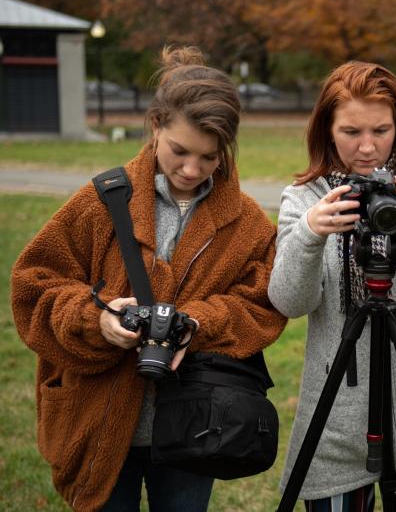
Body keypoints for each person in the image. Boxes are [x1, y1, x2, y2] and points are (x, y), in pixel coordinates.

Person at [11, 46, 287, 512]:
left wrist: (195, 323)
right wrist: (96, 319)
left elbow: (261, 303)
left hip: (197, 429)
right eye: (180, 151)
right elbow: (33, 284)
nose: (192, 169)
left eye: (209, 157)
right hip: (94, 419)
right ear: (155, 124)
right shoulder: (99, 203)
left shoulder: (250, 225)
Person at [268, 61, 396, 510]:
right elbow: (288, 301)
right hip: (335, 418)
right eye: (350, 132)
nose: (367, 147)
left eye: (381, 130)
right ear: (326, 130)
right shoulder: (305, 198)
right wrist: (310, 232)